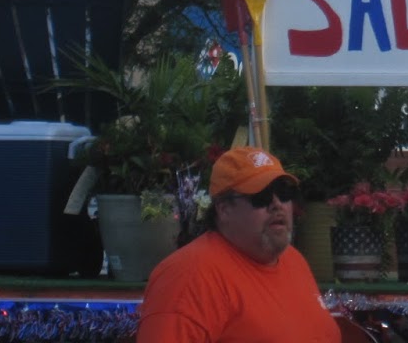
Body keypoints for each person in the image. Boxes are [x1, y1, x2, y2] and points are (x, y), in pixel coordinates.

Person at [138, 147, 339, 343]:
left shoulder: (293, 259)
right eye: (261, 196)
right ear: (224, 209)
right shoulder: (190, 277)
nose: (277, 204)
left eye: (284, 193)